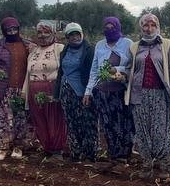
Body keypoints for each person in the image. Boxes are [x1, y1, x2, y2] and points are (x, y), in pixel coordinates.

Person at [125, 13, 170, 181]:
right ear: (141, 27)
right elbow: (129, 68)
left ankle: (165, 166)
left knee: (162, 131)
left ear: (157, 27)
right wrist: (120, 75)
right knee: (142, 131)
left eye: (152, 25)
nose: (149, 29)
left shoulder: (167, 45)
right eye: (145, 25)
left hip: (160, 94)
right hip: (139, 94)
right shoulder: (134, 47)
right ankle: (146, 165)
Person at [83, 16, 134, 170]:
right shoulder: (100, 45)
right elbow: (94, 69)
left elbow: (132, 67)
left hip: (120, 91)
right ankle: (114, 155)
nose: (109, 30)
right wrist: (88, 91)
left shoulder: (128, 44)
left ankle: (123, 156)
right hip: (102, 92)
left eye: (113, 27)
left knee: (124, 124)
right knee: (107, 124)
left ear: (119, 27)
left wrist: (117, 70)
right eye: (107, 28)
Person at [0, 16, 32, 161]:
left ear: (18, 29)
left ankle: (18, 147)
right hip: (3, 89)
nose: (12, 32)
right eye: (8, 30)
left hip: (22, 89)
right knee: (4, 119)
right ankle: (3, 147)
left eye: (14, 29)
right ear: (4, 31)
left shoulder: (27, 46)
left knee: (21, 119)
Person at [24, 20, 67, 160]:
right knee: (39, 118)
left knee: (54, 118)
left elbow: (64, 70)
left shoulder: (59, 48)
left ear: (53, 33)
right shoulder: (33, 51)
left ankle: (57, 150)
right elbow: (28, 73)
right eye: (39, 32)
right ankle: (47, 147)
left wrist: (60, 91)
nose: (42, 35)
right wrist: (25, 92)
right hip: (34, 89)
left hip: (51, 88)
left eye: (46, 32)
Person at [58, 23, 98, 164]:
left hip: (83, 91)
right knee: (71, 122)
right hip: (66, 92)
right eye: (71, 35)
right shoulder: (65, 50)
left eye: (77, 34)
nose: (75, 37)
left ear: (82, 34)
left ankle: (90, 154)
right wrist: (57, 93)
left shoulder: (89, 50)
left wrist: (90, 91)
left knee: (88, 122)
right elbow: (60, 72)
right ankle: (75, 152)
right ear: (67, 37)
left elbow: (93, 72)